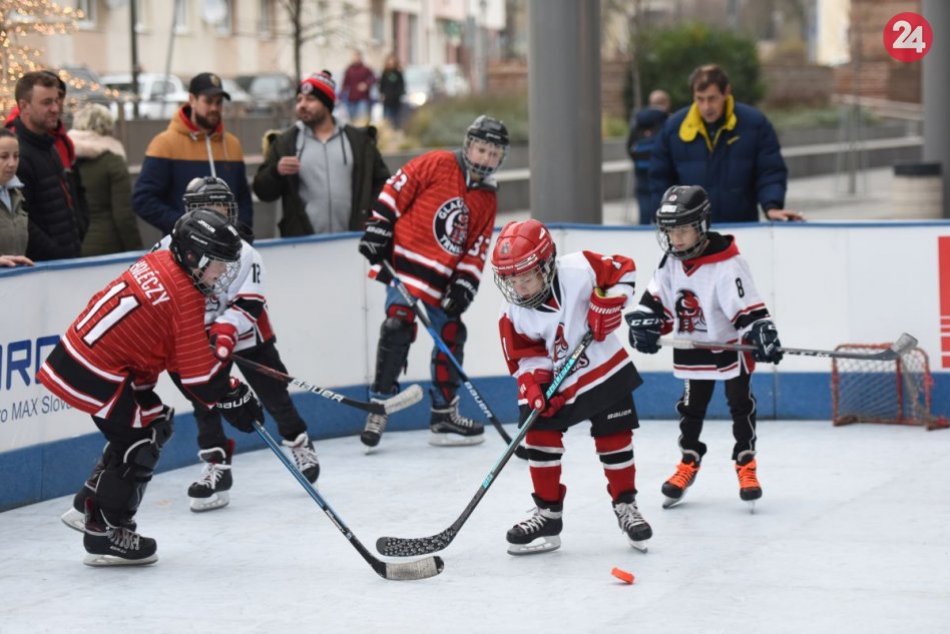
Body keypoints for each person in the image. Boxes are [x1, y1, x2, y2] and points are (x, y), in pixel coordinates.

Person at [38, 208, 264, 566]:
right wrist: (233, 393)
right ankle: (105, 532)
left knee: (149, 425)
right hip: (96, 370)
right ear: (193, 256)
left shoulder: (162, 261)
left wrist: (224, 384)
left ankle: (89, 505)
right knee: (143, 437)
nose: (223, 273)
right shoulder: (184, 294)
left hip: (88, 359)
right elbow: (199, 380)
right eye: (218, 263)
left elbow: (177, 349)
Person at [490, 219, 652, 555]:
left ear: (547, 264)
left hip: (601, 366)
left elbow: (624, 270)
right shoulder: (513, 314)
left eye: (526, 277)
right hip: (556, 378)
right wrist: (536, 386)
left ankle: (626, 505)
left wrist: (611, 302)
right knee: (538, 435)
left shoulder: (580, 268)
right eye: (511, 280)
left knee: (614, 435)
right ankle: (548, 514)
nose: (519, 288)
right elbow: (526, 357)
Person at [626, 185, 784, 510]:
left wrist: (761, 332)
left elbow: (747, 308)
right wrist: (644, 323)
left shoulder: (727, 264)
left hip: (728, 346)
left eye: (683, 230)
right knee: (690, 408)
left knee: (740, 405)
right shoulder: (670, 262)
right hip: (691, 345)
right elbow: (655, 300)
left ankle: (745, 462)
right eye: (671, 231)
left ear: (701, 225)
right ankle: (689, 459)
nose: (676, 239)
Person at [357, 115, 509, 449]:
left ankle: (443, 413)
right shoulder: (438, 163)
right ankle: (378, 405)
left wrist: (465, 283)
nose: (485, 158)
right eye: (481, 149)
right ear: (469, 145)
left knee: (452, 335)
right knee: (397, 326)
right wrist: (379, 226)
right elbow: (397, 187)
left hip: (442, 280)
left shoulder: (487, 197)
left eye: (493, 153)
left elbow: (477, 246)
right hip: (405, 269)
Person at [169, 177, 320, 511]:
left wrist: (224, 331)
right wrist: (192, 333)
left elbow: (250, 303)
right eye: (201, 208)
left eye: (217, 206)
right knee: (205, 403)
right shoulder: (172, 246)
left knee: (274, 395)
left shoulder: (244, 252)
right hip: (201, 343)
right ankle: (217, 467)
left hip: (249, 335)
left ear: (230, 209)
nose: (211, 213)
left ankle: (298, 441)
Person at [649, 64, 803, 223]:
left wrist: (772, 206)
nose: (706, 107)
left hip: (741, 227)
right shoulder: (673, 128)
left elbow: (770, 171)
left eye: (712, 98)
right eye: (700, 99)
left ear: (726, 92)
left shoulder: (755, 124)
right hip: (690, 232)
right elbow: (660, 177)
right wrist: (661, 215)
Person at [253, 71, 390, 236]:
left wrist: (369, 217)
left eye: (310, 99)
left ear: (327, 103)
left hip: (353, 241)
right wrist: (276, 171)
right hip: (304, 244)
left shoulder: (359, 141)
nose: (302, 105)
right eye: (299, 100)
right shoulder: (285, 143)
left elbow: (382, 183)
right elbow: (263, 192)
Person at [133, 72, 254, 235]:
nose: (214, 108)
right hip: (184, 250)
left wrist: (241, 230)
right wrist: (185, 226)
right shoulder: (165, 143)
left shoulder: (232, 144)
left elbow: (243, 198)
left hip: (227, 249)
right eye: (208, 101)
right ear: (192, 100)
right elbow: (143, 200)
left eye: (219, 103)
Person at [11, 70, 88, 260]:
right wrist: (56, 252)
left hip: (67, 259)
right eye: (46, 102)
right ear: (24, 106)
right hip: (46, 268)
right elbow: (21, 220)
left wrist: (79, 228)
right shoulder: (18, 155)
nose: (55, 108)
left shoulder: (50, 147)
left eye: (56, 100)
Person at [68, 103, 143, 256]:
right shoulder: (112, 160)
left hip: (74, 242)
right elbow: (123, 214)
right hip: (108, 245)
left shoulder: (65, 156)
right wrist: (136, 249)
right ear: (107, 126)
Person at [626, 89, 671, 225]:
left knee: (644, 214)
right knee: (664, 213)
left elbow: (629, 146)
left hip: (641, 174)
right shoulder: (668, 121)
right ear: (666, 103)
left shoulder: (638, 121)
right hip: (663, 173)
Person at [0, 129, 32, 267]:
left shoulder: (17, 194)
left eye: (16, 156)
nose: (12, 163)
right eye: (4, 156)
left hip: (13, 284)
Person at [341, 51, 376, 124]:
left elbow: (374, 78)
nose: (356, 59)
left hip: (362, 98)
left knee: (362, 119)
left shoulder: (366, 69)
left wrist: (366, 84)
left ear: (361, 58)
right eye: (354, 57)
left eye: (358, 57)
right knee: (352, 120)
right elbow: (345, 83)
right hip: (351, 99)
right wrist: (341, 95)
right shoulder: (349, 69)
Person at [378, 54, 405, 130]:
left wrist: (399, 94)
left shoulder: (398, 73)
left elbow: (401, 86)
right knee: (386, 118)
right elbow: (381, 85)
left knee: (395, 119)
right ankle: (387, 132)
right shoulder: (385, 73)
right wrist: (381, 94)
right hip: (387, 99)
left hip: (396, 100)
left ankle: (395, 131)